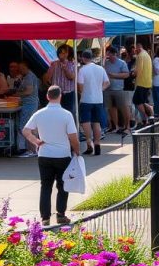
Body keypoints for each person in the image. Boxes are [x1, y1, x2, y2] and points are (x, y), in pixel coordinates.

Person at [22, 86, 79, 226]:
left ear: (47, 96)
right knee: (63, 185)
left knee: (45, 186)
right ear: (60, 96)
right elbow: (72, 136)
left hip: (44, 154)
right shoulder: (66, 114)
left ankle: (45, 217)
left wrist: (36, 141)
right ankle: (60, 214)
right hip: (62, 155)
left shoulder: (39, 114)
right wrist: (77, 151)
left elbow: (25, 130)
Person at [77, 50, 110, 156]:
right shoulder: (100, 69)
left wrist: (82, 91)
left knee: (85, 121)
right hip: (98, 99)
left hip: (86, 99)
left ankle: (89, 142)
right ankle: (97, 143)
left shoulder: (82, 70)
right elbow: (107, 82)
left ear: (83, 58)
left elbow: (80, 87)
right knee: (96, 122)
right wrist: (100, 89)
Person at [9, 61, 40, 156]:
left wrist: (16, 94)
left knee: (25, 127)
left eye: (22, 68)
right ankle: (32, 149)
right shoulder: (26, 76)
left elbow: (28, 91)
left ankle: (31, 150)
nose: (20, 70)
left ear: (27, 67)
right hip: (29, 104)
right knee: (30, 127)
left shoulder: (29, 77)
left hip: (29, 104)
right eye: (19, 68)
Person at [43, 44, 77, 116]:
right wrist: (48, 80)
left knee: (68, 114)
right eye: (60, 52)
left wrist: (65, 69)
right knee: (55, 114)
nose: (62, 54)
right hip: (56, 93)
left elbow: (72, 77)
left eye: (65, 53)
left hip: (68, 94)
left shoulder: (72, 64)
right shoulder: (54, 64)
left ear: (69, 53)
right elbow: (47, 78)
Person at [132, 42, 154, 122]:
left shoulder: (140, 56)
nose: (134, 51)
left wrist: (132, 73)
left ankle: (146, 117)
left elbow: (138, 70)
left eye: (135, 48)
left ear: (138, 47)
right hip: (147, 82)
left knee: (136, 101)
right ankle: (148, 116)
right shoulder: (147, 55)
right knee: (142, 101)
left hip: (141, 82)